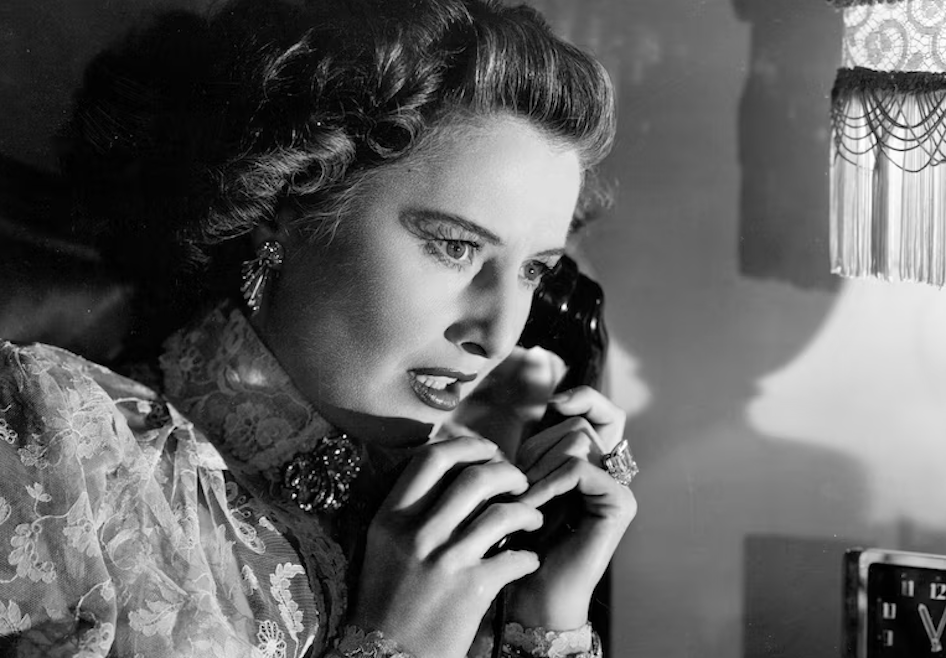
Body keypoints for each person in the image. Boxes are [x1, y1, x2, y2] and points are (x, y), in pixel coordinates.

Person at [0, 0, 637, 656]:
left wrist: (544, 613)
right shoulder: (63, 447)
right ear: (286, 206)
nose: (498, 337)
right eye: (454, 246)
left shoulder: (471, 527)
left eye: (533, 271)